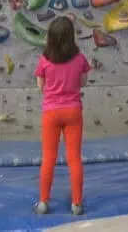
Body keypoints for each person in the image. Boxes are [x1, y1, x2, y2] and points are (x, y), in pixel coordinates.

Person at [35, 17, 91, 216]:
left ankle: (43, 202)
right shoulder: (80, 59)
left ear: (50, 37)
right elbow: (83, 82)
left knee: (48, 158)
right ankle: (76, 204)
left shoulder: (44, 60)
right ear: (71, 37)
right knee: (74, 158)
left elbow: (41, 87)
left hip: (51, 112)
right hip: (73, 111)